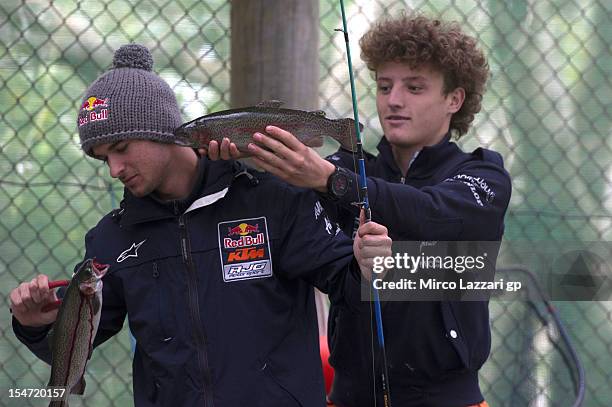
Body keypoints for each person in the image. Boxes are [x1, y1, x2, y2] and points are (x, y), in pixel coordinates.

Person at [9, 44, 393, 407]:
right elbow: (76, 347)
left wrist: (365, 265)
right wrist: (35, 327)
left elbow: (351, 288)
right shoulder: (111, 239)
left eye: (122, 148)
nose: (114, 170)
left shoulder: (270, 201)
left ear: (161, 129)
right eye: (102, 158)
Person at [206, 13, 512, 407]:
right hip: (347, 393)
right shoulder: (344, 166)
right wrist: (236, 163)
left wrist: (334, 181)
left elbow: (433, 213)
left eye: (414, 87)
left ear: (455, 99)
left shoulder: (482, 173)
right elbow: (286, 225)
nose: (394, 100)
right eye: (384, 86)